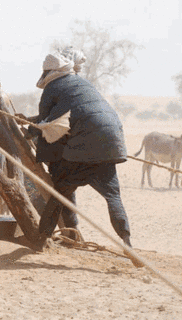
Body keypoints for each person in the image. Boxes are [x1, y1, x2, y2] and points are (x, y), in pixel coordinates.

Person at [29, 47, 133, 251]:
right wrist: (32, 122)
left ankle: (40, 242)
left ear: (48, 73)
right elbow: (75, 113)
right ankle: (127, 241)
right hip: (110, 142)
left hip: (82, 147)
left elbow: (47, 126)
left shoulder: (51, 88)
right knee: (113, 197)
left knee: (59, 192)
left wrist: (31, 135)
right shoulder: (82, 84)